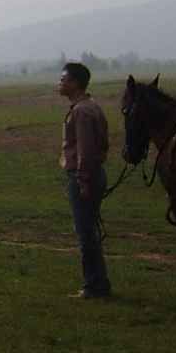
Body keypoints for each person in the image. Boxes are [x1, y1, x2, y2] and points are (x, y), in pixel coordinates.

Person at [57, 61, 111, 299]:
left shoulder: (81, 111)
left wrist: (82, 180)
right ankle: (99, 282)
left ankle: (94, 286)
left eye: (64, 79)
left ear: (76, 83)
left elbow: (85, 151)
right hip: (93, 173)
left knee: (85, 233)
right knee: (90, 231)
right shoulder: (90, 106)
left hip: (84, 176)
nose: (60, 83)